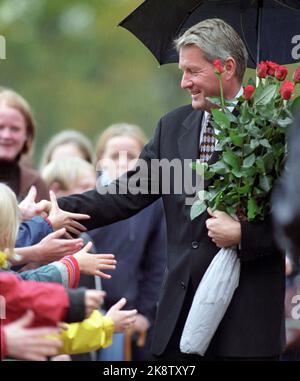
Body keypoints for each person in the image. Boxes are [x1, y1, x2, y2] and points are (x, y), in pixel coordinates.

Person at [57, 19, 285, 360]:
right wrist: (60, 211)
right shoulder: (172, 126)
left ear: (227, 67)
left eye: (192, 71)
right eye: (182, 71)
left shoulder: (277, 130)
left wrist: (244, 234)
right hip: (179, 322)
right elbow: (126, 193)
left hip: (245, 326)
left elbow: (293, 221)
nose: (184, 82)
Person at [90, 123, 166, 361]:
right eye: (114, 156)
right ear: (100, 160)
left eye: (131, 156)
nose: (122, 162)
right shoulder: (87, 198)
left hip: (131, 315)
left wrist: (145, 314)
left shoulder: (153, 204)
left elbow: (158, 262)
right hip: (86, 310)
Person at [0, 88, 48, 201]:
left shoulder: (36, 185)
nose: (6, 135)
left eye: (15, 129)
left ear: (27, 134)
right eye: (0, 127)